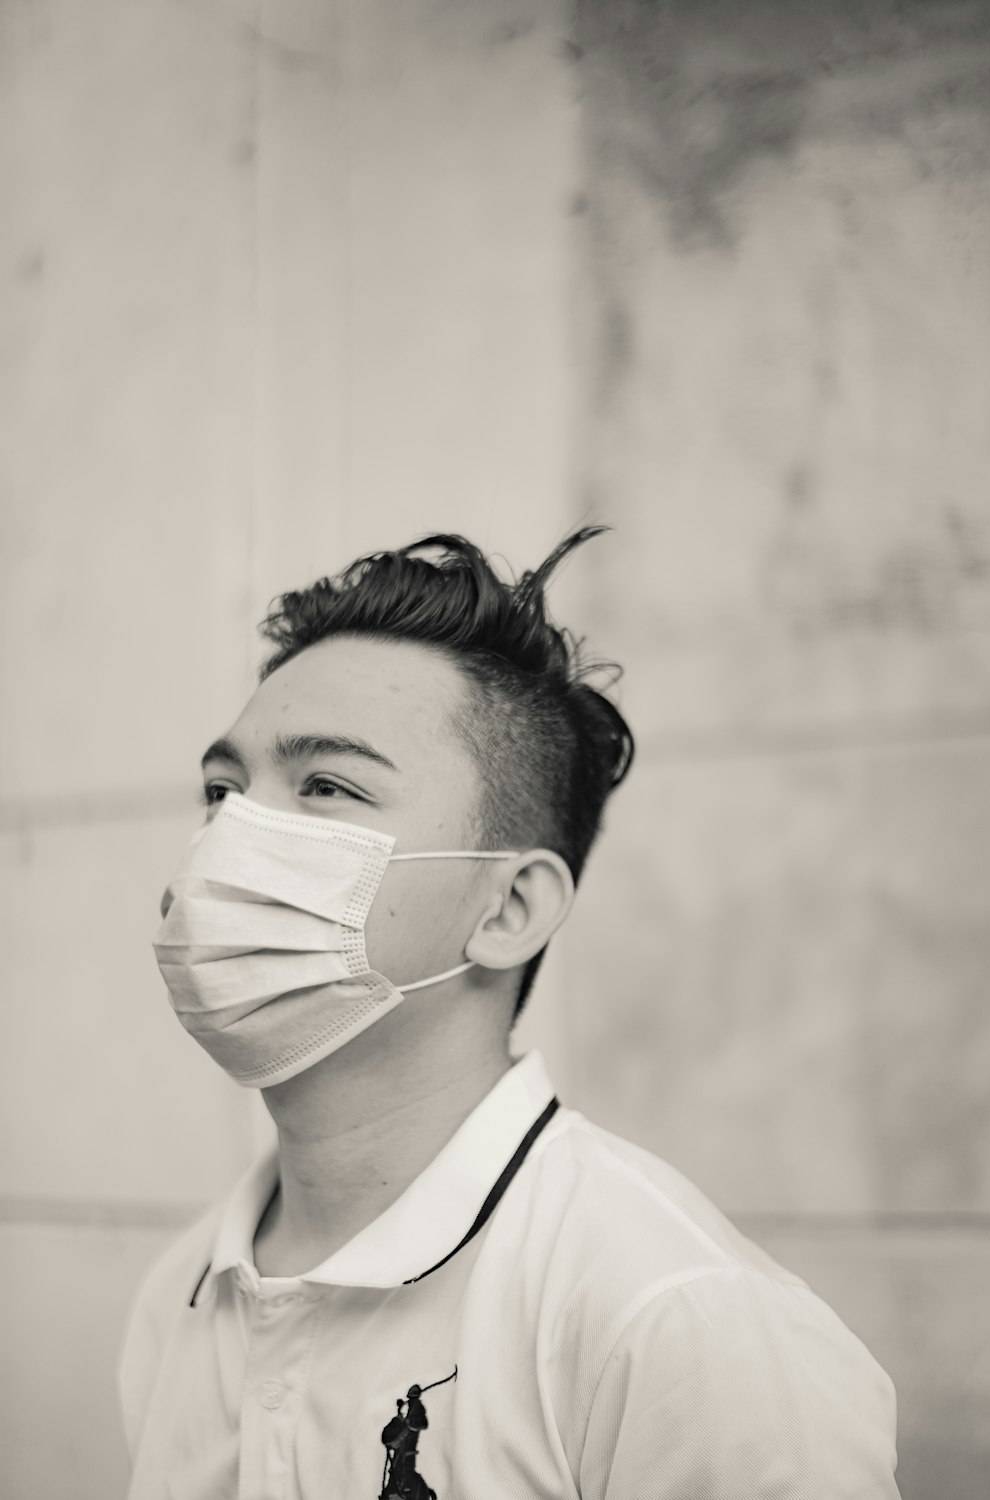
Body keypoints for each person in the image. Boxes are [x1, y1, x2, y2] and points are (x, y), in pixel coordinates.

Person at [120, 529, 900, 1499]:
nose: (232, 834)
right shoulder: (181, 1294)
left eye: (326, 785)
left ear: (509, 909)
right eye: (220, 791)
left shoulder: (671, 1322)